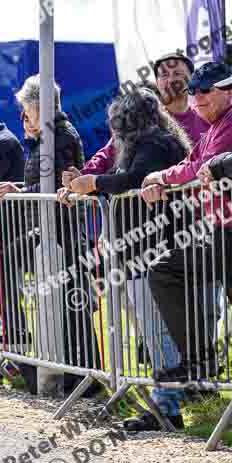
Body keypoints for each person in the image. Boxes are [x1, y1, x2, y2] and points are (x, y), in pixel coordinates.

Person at [57, 87, 192, 430]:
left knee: (156, 331)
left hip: (153, 249)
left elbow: (132, 180)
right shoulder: (151, 142)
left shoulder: (155, 145)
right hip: (138, 250)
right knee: (150, 331)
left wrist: (95, 183)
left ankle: (169, 408)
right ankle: (164, 402)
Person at [0, 76, 100, 396]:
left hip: (59, 226)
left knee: (70, 299)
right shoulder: (48, 135)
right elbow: (46, 184)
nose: (23, 116)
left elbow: (55, 187)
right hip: (48, 224)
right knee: (63, 296)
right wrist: (19, 188)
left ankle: (84, 374)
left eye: (26, 109)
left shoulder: (59, 135)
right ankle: (45, 356)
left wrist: (18, 189)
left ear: (39, 106)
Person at [142, 62, 232, 386]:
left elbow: (202, 167)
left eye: (205, 90)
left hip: (225, 232)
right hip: (217, 231)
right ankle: (200, 362)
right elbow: (194, 163)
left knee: (163, 270)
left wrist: (162, 177)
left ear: (228, 91)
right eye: (193, 90)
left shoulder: (230, 122)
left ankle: (200, 362)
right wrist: (163, 176)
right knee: (164, 270)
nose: (197, 97)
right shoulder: (213, 127)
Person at [69, 53, 209, 182]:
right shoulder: (142, 118)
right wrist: (81, 178)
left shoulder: (208, 118)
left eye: (177, 73)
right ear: (157, 82)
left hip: (198, 205)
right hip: (152, 206)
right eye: (164, 75)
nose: (171, 79)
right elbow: (108, 153)